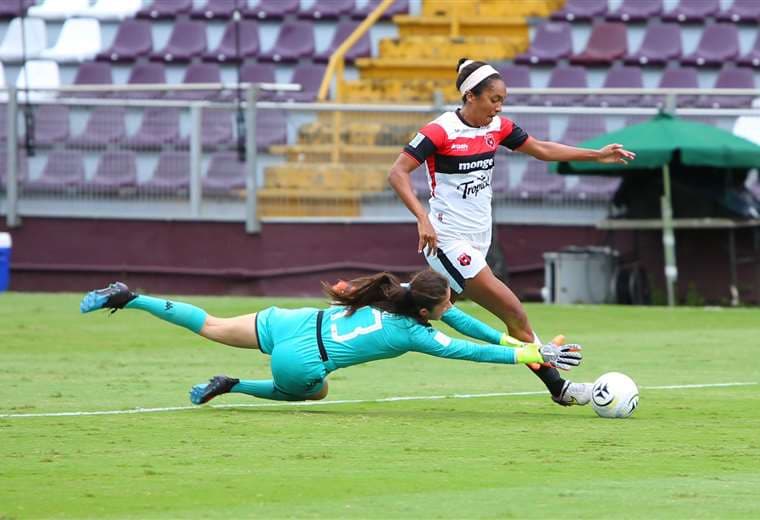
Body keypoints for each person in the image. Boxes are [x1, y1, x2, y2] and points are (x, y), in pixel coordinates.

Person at [388, 58, 636, 406]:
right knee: (514, 313)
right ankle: (559, 387)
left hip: (477, 240)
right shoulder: (440, 131)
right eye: (494, 99)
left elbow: (542, 149)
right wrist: (422, 218)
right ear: (470, 96)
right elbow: (398, 173)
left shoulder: (498, 127)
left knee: (421, 310)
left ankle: (356, 317)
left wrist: (595, 155)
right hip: (447, 240)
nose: (499, 107)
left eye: (502, 99)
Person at [79, 270, 582, 404]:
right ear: (431, 309)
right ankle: (233, 386)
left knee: (209, 323)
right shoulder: (415, 334)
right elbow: (471, 349)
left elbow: (467, 325)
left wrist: (531, 347)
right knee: (314, 391)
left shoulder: (398, 291)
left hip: (291, 321)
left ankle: (132, 298)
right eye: (448, 303)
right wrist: (534, 355)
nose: (453, 307)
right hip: (301, 359)